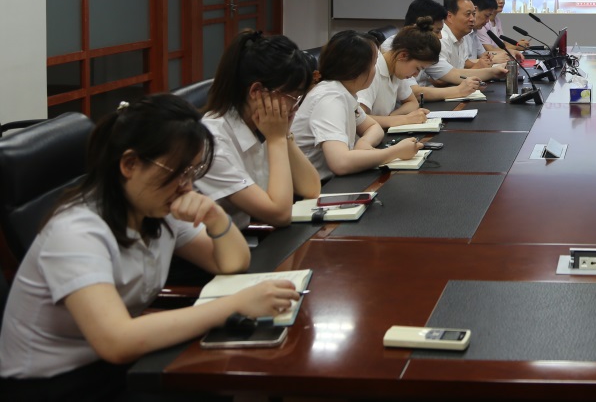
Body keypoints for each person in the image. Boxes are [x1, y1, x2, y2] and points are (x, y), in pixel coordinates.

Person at [0, 95, 300, 400]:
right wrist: (234, 305)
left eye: (192, 172)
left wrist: (214, 216)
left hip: (116, 365)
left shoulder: (154, 207)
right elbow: (116, 341)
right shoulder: (76, 232)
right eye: (177, 172)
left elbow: (231, 262)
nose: (187, 186)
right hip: (54, 383)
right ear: (130, 164)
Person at [195, 31, 321, 230]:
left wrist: (285, 135)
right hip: (217, 245)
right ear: (256, 92)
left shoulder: (261, 125)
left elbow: (311, 188)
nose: (296, 107)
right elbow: (279, 215)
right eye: (292, 97)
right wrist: (277, 139)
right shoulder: (213, 142)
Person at [291, 30, 423, 180]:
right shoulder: (330, 98)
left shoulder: (343, 92)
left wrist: (364, 142)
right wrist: (395, 152)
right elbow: (340, 163)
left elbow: (373, 127)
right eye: (374, 64)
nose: (375, 70)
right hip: (316, 187)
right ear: (357, 69)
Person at [357, 18, 437, 130]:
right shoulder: (372, 70)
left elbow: (412, 103)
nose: (416, 74)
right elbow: (358, 119)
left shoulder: (396, 70)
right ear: (403, 55)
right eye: (417, 68)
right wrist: (404, 119)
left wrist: (392, 118)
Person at [395, 0, 481, 102]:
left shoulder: (421, 46)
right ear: (420, 26)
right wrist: (459, 91)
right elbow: (415, 93)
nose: (440, 37)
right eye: (437, 31)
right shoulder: (397, 46)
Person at [440, 0, 506, 79]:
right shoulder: (441, 38)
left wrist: (486, 67)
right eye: (468, 14)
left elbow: (463, 65)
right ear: (450, 17)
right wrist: (480, 68)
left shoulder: (461, 37)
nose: (472, 19)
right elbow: (439, 80)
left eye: (473, 14)